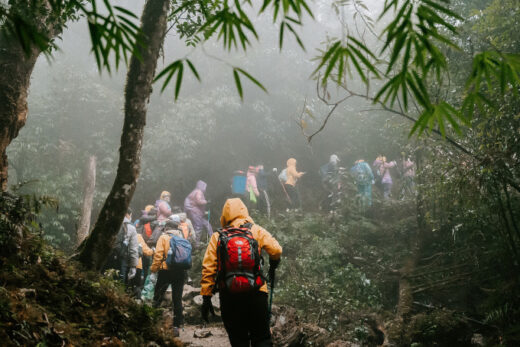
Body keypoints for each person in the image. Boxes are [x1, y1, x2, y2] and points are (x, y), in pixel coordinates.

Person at [200, 198, 282, 347]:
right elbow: (276, 250)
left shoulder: (218, 236)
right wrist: (273, 264)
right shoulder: (255, 230)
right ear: (244, 211)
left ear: (225, 215)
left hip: (229, 295)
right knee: (262, 337)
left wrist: (206, 297)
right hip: (257, 292)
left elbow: (208, 268)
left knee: (238, 339)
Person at [151, 215, 187, 337]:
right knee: (177, 299)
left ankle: (153, 321)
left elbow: (158, 255)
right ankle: (177, 326)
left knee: (158, 296)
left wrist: (153, 270)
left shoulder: (164, 237)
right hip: (180, 272)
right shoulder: (182, 237)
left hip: (166, 271)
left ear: (167, 227)